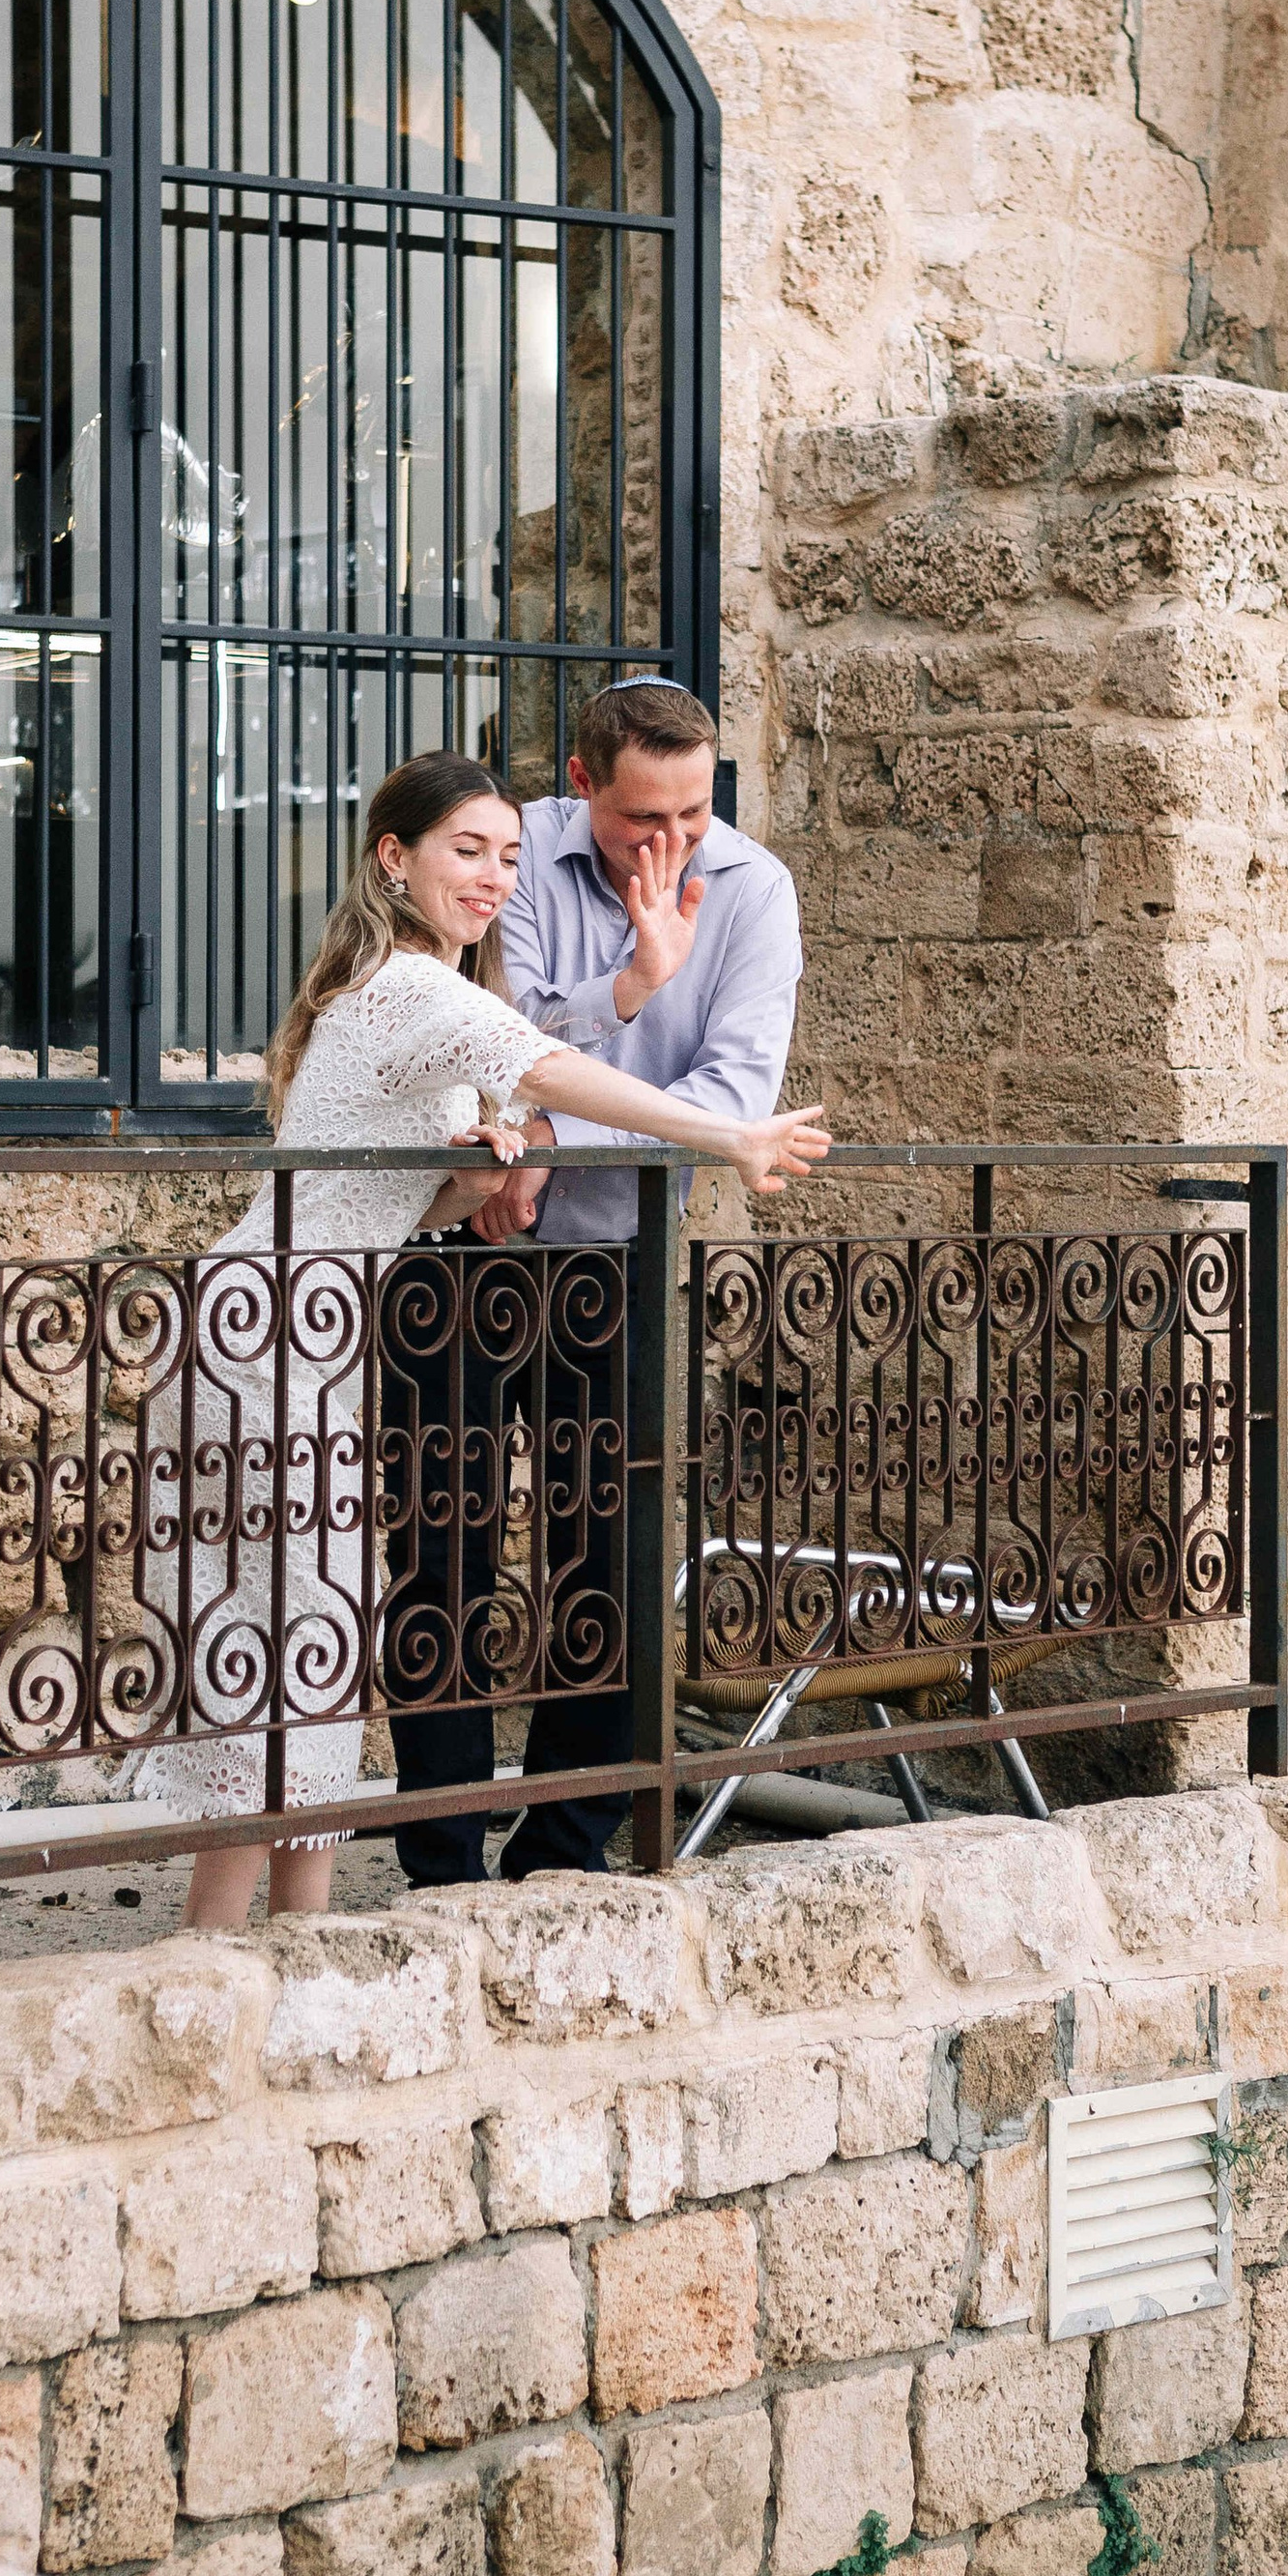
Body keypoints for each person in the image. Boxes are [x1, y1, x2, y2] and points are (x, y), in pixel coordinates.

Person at [116, 746, 829, 1929]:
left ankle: (295, 1938)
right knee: (285, 1641)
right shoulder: (411, 988)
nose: (496, 876)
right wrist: (730, 1138)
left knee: (311, 1636)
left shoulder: (422, 987)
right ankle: (215, 1942)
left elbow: (415, 1184)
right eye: (466, 851)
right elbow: (552, 1066)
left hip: (301, 1327)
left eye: (506, 855)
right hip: (266, 1334)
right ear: (393, 860)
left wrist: (474, 1176)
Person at [386, 678, 803, 1885]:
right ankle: (442, 1865)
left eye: (692, 812)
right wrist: (602, 1022)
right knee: (441, 1559)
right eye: (641, 818)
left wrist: (550, 1139)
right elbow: (491, 1035)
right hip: (457, 1254)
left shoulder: (753, 890)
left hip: (616, 1261)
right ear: (581, 784)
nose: (669, 841)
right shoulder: (504, 852)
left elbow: (732, 1096)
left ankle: (564, 1855)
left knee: (607, 1559)